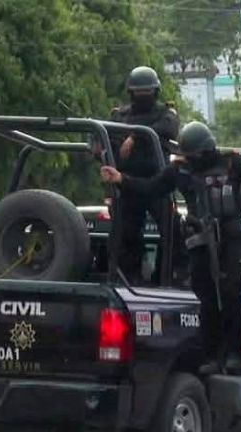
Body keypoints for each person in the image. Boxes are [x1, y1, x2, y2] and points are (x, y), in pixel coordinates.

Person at [99, 121, 241, 374]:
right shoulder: (179, 170)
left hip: (230, 237)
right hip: (199, 237)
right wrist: (121, 179)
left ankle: (233, 353)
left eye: (195, 155)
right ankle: (211, 355)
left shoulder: (233, 163)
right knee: (206, 296)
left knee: (231, 291)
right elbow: (151, 187)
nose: (192, 160)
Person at [105, 66, 181, 284]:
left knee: (173, 232)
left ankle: (165, 278)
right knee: (124, 236)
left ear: (155, 92)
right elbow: (111, 130)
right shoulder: (120, 115)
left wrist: (135, 136)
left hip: (157, 184)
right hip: (127, 184)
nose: (143, 97)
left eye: (146, 92)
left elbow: (168, 128)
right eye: (139, 93)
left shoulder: (165, 114)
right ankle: (129, 280)